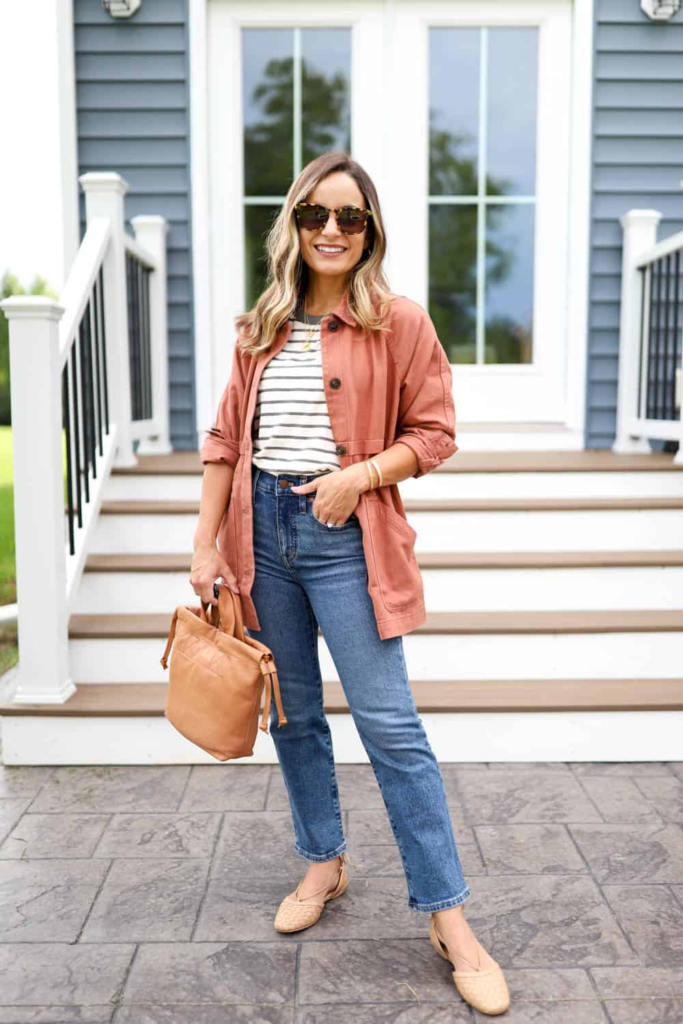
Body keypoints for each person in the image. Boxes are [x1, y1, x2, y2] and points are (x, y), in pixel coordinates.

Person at [190, 152, 509, 1016]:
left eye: (349, 217)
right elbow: (225, 442)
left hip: (345, 541)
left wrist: (358, 477)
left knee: (391, 728)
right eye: (314, 214)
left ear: (369, 232)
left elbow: (435, 434)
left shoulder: (398, 322)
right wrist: (204, 545)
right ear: (292, 225)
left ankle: (448, 917)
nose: (330, 230)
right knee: (293, 716)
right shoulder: (259, 327)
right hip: (259, 540)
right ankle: (323, 862)